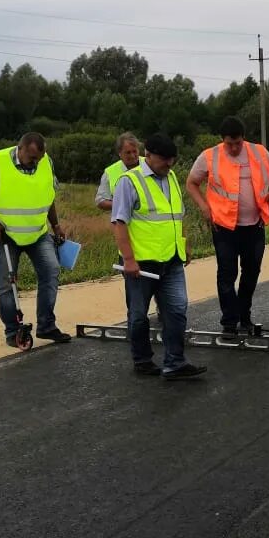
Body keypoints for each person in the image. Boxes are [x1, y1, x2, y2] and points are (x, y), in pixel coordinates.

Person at [111, 133, 207, 380]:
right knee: (139, 315)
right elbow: (119, 222)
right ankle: (142, 360)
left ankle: (175, 362)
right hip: (142, 264)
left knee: (176, 310)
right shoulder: (129, 181)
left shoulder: (172, 177)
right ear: (148, 155)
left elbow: (177, 215)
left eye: (172, 160)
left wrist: (183, 245)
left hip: (171, 260)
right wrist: (129, 259)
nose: (169, 164)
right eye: (164, 160)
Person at [0, 132, 71, 347]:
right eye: (32, 158)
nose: (36, 162)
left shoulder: (46, 162)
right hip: (7, 235)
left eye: (40, 158)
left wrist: (56, 224)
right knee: (7, 284)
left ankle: (46, 326)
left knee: (51, 272)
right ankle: (13, 332)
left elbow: (48, 195)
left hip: (38, 233)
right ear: (20, 148)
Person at [186, 116, 269, 336]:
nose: (233, 147)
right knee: (227, 274)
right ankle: (229, 322)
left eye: (237, 143)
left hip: (254, 227)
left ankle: (244, 317)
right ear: (222, 140)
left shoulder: (258, 152)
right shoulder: (209, 156)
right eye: (229, 143)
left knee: (251, 273)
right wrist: (204, 207)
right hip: (224, 228)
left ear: (243, 138)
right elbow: (191, 183)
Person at [96, 132, 141, 211]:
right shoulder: (110, 172)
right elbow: (100, 201)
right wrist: (122, 205)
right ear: (120, 153)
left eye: (135, 151)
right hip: (122, 222)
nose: (132, 156)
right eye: (128, 152)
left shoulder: (150, 165)